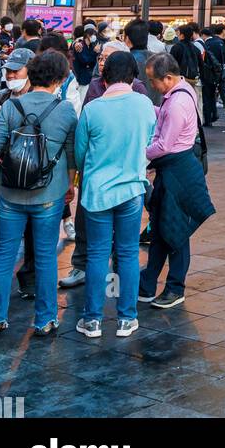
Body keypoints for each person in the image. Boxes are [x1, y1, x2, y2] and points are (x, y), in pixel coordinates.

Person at [0, 50, 77, 338]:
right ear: (59, 79)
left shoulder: (11, 107)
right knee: (46, 254)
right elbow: (74, 155)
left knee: (3, 254)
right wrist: (70, 183)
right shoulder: (65, 110)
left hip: (10, 193)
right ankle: (45, 319)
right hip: (49, 193)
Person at [73, 51, 156, 338]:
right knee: (128, 253)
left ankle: (92, 320)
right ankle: (126, 318)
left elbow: (80, 154)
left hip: (97, 192)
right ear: (134, 76)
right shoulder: (145, 105)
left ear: (104, 76)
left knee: (96, 254)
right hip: (131, 189)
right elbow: (149, 141)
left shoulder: (93, 109)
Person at [60, 40, 153, 291]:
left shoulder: (139, 92)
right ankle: (121, 311)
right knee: (94, 235)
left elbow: (147, 137)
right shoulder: (93, 87)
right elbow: (83, 139)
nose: (102, 62)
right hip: (98, 176)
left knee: (117, 248)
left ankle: (97, 314)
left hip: (123, 177)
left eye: (107, 59)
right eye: (100, 58)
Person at [138, 54, 215, 308]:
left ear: (168, 78)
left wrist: (138, 155)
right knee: (161, 228)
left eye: (153, 81)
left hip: (177, 171)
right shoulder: (182, 91)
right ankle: (148, 282)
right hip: (174, 170)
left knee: (176, 230)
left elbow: (164, 144)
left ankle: (175, 287)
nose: (152, 86)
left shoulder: (177, 102)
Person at [0, 47, 37, 302]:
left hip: (35, 173)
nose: (11, 75)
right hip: (5, 171)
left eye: (17, 70)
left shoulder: (39, 96)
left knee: (34, 231)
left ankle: (30, 280)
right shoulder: (3, 95)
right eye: (9, 71)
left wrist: (3, 116)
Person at [171, 24, 206, 121]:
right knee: (196, 104)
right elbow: (201, 66)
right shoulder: (195, 48)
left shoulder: (176, 47)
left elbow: (171, 64)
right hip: (195, 81)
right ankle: (197, 126)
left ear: (181, 35)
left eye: (178, 34)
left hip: (180, 81)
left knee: (180, 103)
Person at [203, 22, 225, 121]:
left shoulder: (208, 43)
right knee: (222, 89)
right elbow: (223, 58)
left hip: (209, 71)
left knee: (211, 93)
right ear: (223, 30)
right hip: (220, 70)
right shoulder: (220, 42)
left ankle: (213, 113)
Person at [71, 25, 99, 102]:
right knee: (81, 99)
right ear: (87, 35)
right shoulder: (80, 45)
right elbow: (85, 60)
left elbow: (92, 62)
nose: (94, 37)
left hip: (89, 77)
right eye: (93, 34)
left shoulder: (92, 45)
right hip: (81, 77)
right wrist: (94, 53)